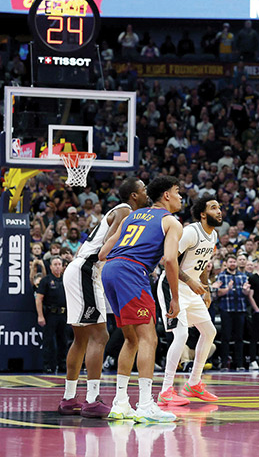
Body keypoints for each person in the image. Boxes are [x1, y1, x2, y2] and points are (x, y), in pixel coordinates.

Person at [99, 176, 183, 423]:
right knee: (149, 338)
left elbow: (104, 252)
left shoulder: (132, 216)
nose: (180, 196)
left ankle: (120, 403)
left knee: (131, 339)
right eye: (177, 191)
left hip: (111, 270)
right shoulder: (171, 222)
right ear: (166, 195)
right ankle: (145, 405)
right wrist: (175, 298)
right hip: (132, 273)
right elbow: (170, 260)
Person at [60, 178, 146, 418]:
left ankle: (69, 398)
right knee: (100, 335)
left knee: (82, 338)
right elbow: (110, 243)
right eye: (143, 189)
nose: (146, 192)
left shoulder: (121, 211)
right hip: (87, 270)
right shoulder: (125, 210)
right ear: (134, 195)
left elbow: (90, 247)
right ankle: (91, 400)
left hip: (81, 268)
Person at [156, 195, 222, 406]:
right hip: (172, 286)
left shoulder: (213, 235)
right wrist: (190, 282)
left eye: (219, 208)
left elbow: (203, 264)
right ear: (203, 214)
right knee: (181, 334)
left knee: (209, 331)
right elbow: (168, 260)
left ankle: (193, 383)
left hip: (191, 290)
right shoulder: (191, 232)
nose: (219, 211)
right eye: (213, 208)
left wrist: (206, 289)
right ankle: (166, 390)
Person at [216, 254, 251, 371]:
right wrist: (228, 288)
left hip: (240, 309)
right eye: (230, 262)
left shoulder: (243, 276)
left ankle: (239, 364)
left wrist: (246, 290)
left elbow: (246, 293)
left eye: (234, 262)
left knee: (239, 338)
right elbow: (218, 293)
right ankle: (224, 363)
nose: (232, 264)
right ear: (226, 264)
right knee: (225, 337)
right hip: (226, 310)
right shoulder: (221, 276)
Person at [36, 258, 69, 375]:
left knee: (64, 341)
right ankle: (48, 366)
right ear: (50, 267)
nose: (57, 266)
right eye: (55, 264)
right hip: (50, 314)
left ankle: (63, 365)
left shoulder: (66, 280)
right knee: (49, 342)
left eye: (59, 264)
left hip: (64, 314)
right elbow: (39, 299)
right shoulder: (46, 280)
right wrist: (40, 316)